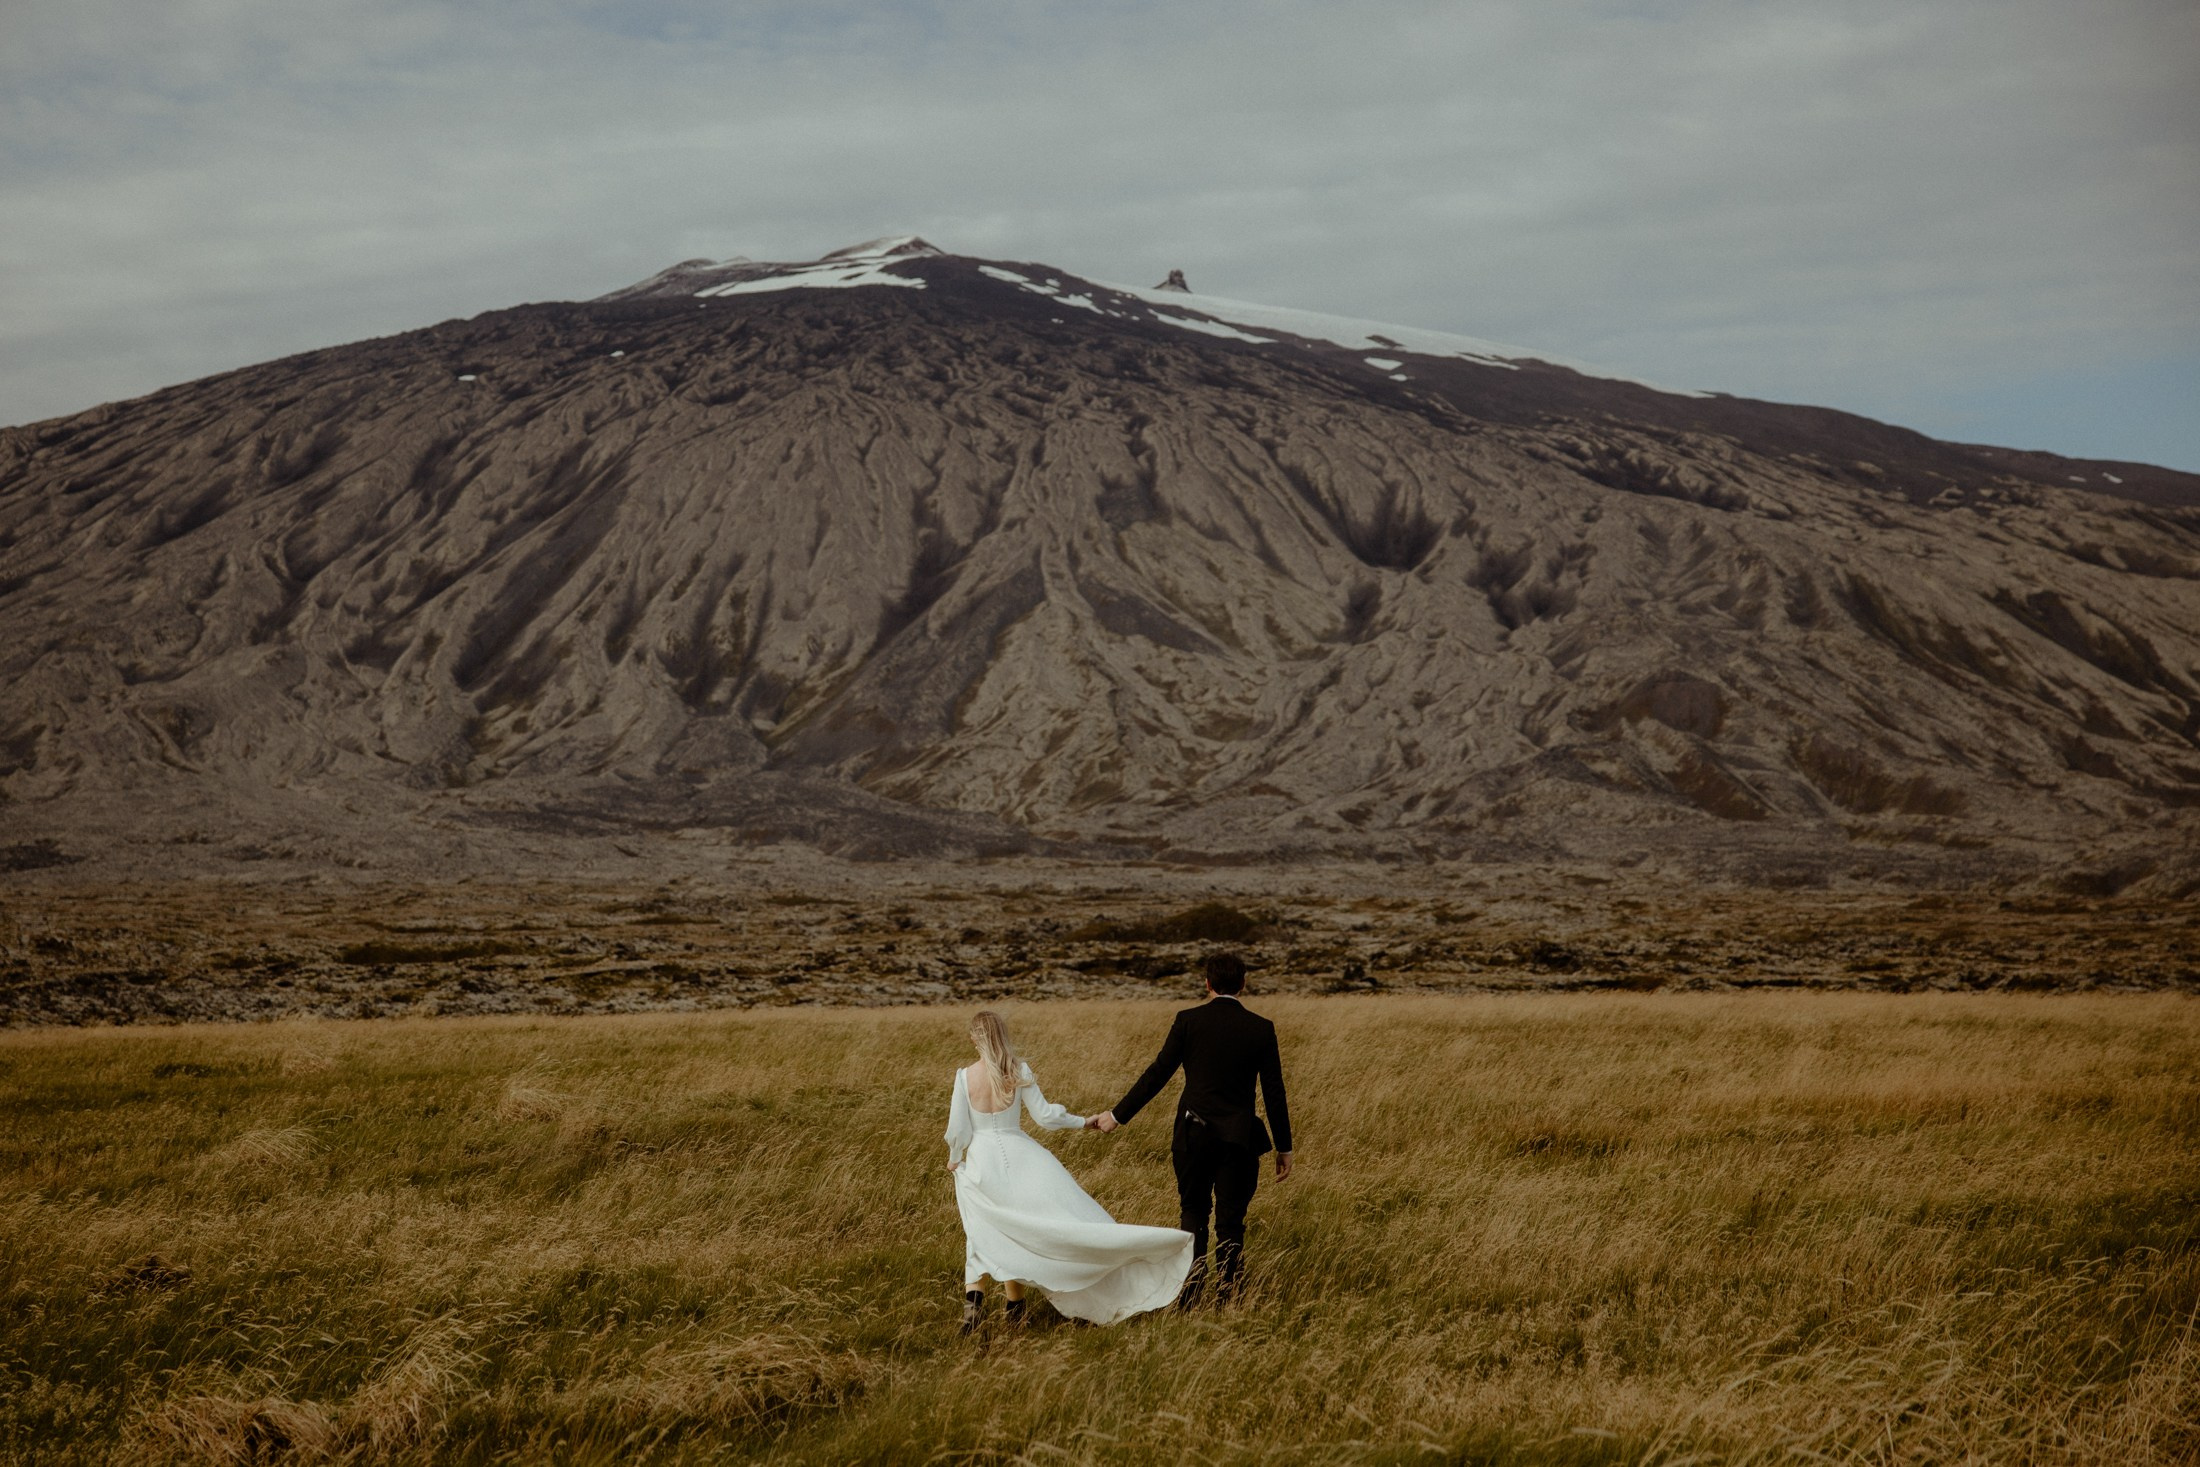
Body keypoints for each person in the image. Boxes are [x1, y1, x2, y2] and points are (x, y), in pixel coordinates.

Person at [944, 1010, 1191, 1331]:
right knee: (1020, 1228)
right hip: (1021, 1157)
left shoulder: (964, 1077)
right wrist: (1082, 1121)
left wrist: (954, 1156)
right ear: (1003, 1035)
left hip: (981, 1160)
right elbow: (1045, 1116)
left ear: (973, 1039)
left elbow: (958, 1129)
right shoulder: (1018, 1070)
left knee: (985, 1229)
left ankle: (978, 1307)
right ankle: (1014, 1307)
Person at [1087, 952, 1292, 1306]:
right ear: (1244, 984)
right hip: (1239, 1139)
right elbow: (1274, 1091)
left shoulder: (1188, 1021)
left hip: (1192, 1135)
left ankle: (1191, 1293)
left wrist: (1117, 1116)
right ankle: (1229, 1295)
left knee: (1193, 1212)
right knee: (1231, 1221)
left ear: (1207, 983)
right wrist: (1283, 1147)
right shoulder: (1261, 1028)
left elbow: (1157, 1073)